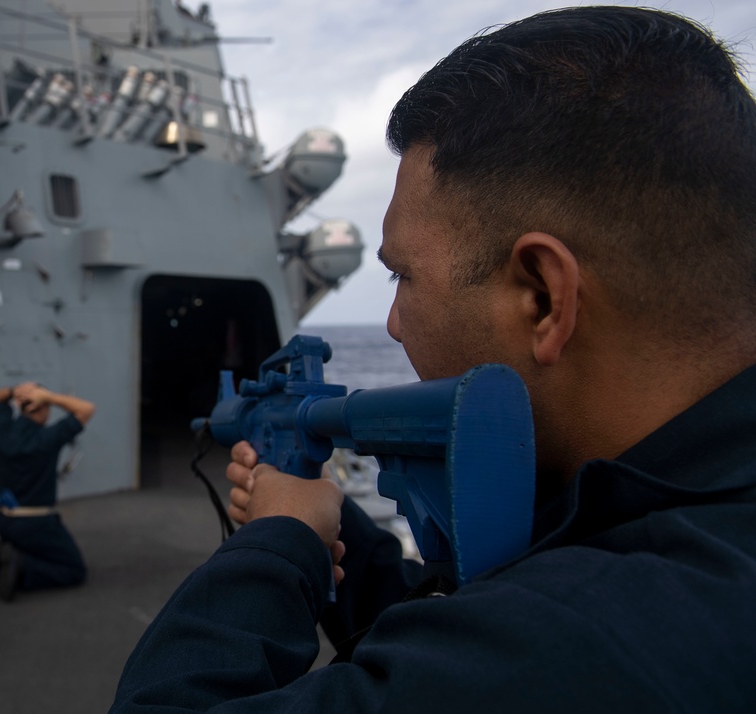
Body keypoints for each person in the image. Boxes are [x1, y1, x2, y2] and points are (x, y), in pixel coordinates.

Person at [111, 6, 756, 711]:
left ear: (541, 298)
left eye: (402, 277)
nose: (390, 322)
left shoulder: (581, 639)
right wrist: (326, 517)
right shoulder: (679, 541)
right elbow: (458, 624)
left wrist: (276, 543)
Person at [0, 382, 95, 601]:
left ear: (20, 406)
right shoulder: (46, 438)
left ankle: (2, 558)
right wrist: (50, 396)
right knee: (74, 570)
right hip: (36, 524)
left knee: (33, 547)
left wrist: (14, 392)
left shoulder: (3, 432)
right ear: (44, 407)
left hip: (4, 522)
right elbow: (87, 409)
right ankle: (21, 567)